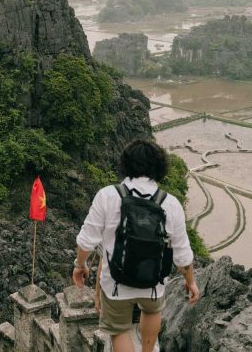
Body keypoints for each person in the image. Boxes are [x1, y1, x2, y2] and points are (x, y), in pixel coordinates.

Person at [73, 139, 199, 352]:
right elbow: (182, 253)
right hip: (152, 282)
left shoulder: (107, 195)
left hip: (116, 282)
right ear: (160, 168)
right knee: (151, 312)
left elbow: (87, 239)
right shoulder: (170, 203)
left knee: (119, 330)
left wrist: (80, 265)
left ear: (126, 164)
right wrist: (191, 281)